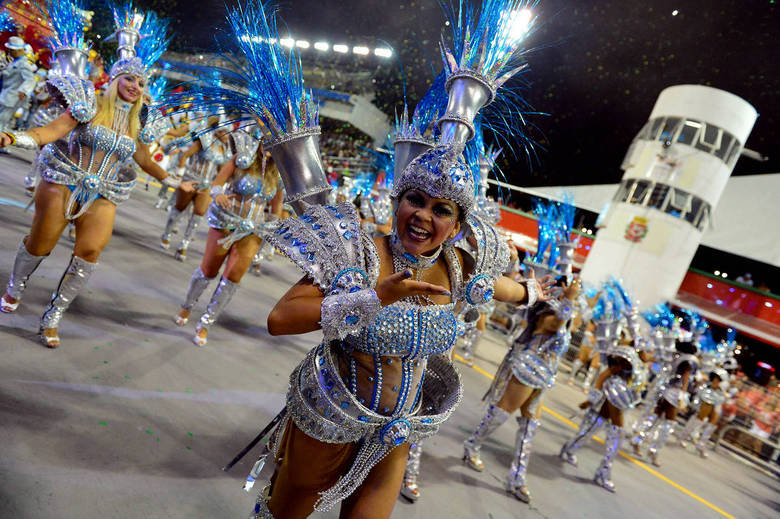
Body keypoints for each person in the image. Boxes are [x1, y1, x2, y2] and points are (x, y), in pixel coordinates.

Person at [0, 6, 174, 347]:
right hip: (64, 180)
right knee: (41, 244)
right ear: (114, 79)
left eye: (141, 82)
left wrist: (174, 182)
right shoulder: (87, 105)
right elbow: (48, 132)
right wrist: (12, 137)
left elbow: (144, 160)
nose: (135, 86)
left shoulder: (137, 124)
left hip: (105, 191)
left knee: (91, 250)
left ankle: (53, 316)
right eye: (129, 79)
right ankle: (15, 286)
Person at [462, 279, 580, 503]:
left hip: (545, 376)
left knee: (530, 427)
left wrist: (573, 300)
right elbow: (558, 325)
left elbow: (568, 324)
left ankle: (516, 477)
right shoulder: (547, 314)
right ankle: (472, 445)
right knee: (502, 412)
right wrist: (570, 299)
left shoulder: (566, 314)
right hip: (527, 367)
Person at [174, 141, 282, 346]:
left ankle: (205, 323)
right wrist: (219, 194)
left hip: (252, 231)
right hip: (226, 221)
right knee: (208, 271)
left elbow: (275, 209)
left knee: (232, 278)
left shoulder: (278, 174)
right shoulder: (241, 159)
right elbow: (217, 183)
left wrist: (271, 234)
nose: (270, 145)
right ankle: (187, 306)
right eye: (267, 139)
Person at [559, 345, 644, 492]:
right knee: (605, 435)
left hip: (613, 409)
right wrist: (591, 400)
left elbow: (634, 395)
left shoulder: (633, 373)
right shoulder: (616, 373)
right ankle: (597, 468)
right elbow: (602, 379)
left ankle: (598, 468)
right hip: (606, 407)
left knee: (605, 433)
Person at [159, 122, 231, 260]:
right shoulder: (203, 141)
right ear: (217, 131)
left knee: (198, 215)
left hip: (207, 185)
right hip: (191, 179)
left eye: (228, 132)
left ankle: (184, 245)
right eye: (224, 131)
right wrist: (180, 176)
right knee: (179, 209)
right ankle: (166, 235)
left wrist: (219, 187)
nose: (227, 135)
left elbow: (221, 171)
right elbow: (185, 156)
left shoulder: (224, 149)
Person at [678, 368, 729, 457]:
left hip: (716, 402)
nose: (716, 380)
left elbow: (724, 392)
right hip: (707, 401)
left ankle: (701, 445)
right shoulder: (707, 386)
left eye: (718, 379)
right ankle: (683, 437)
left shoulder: (723, 385)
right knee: (697, 420)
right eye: (715, 378)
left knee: (712, 424)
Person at [0, 36, 37, 131]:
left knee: (1, 122)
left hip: (10, 99)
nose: (9, 52)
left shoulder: (23, 64)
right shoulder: (15, 62)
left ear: (16, 51)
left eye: (11, 50)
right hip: (5, 96)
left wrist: (23, 91)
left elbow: (30, 79)